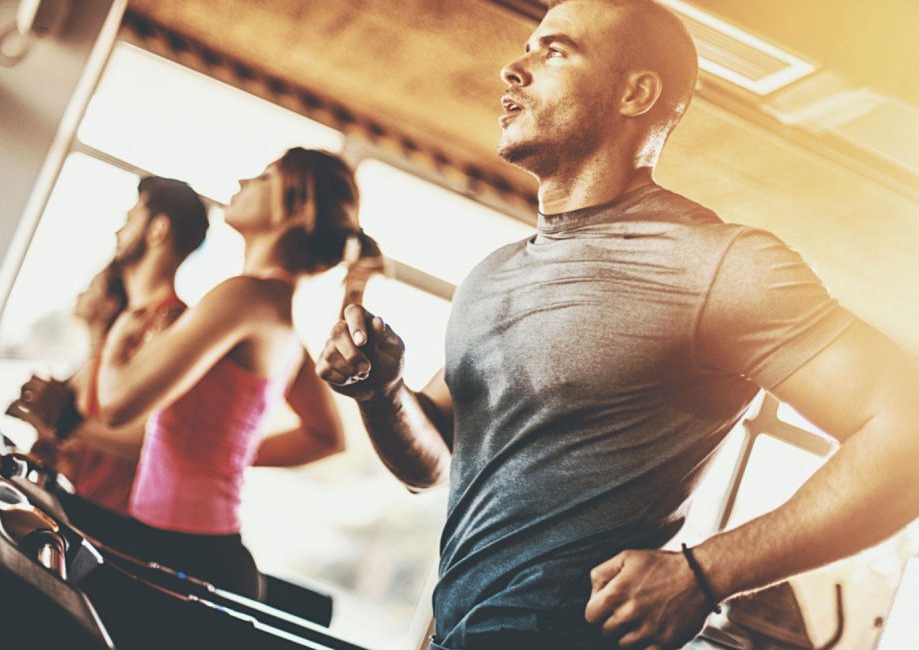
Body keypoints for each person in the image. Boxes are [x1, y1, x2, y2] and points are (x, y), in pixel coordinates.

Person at [315, 1, 919, 648]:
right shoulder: (492, 278)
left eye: (553, 51)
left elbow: (906, 434)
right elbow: (431, 465)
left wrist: (705, 575)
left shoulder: (718, 264)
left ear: (636, 92)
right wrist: (381, 395)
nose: (511, 69)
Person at [94, 147, 383, 599]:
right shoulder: (279, 319)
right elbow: (327, 436)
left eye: (264, 177)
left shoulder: (244, 296)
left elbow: (116, 405)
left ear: (296, 207)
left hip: (185, 556)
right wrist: (222, 456)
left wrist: (116, 343)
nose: (245, 182)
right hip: (197, 551)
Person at [9, 176, 208, 538]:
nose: (119, 230)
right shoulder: (129, 318)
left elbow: (155, 439)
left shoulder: (172, 324)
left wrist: (65, 422)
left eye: (131, 217)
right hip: (69, 503)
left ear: (158, 229)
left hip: (101, 525)